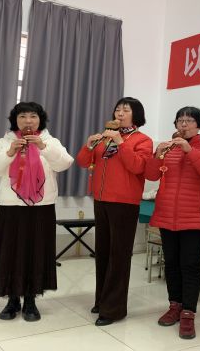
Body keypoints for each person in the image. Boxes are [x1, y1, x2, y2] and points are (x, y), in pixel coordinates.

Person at [0, 102, 73, 322]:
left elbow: (64, 163)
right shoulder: (3, 142)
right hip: (10, 206)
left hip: (41, 207)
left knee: (37, 252)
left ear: (40, 120)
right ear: (15, 120)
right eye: (22, 116)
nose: (28, 121)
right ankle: (12, 300)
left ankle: (31, 300)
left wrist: (43, 147)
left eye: (33, 116)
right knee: (9, 252)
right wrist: (10, 152)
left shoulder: (50, 141)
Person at [76, 96, 153, 326]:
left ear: (136, 115)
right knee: (103, 252)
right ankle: (102, 300)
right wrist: (89, 145)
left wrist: (121, 142)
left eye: (126, 110)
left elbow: (138, 166)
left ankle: (114, 309)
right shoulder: (104, 138)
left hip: (125, 203)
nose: (120, 113)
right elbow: (83, 162)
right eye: (118, 109)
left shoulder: (143, 140)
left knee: (119, 256)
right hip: (101, 200)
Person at [144, 106, 200, 339]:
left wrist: (190, 150)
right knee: (171, 264)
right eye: (180, 121)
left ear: (199, 125)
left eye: (189, 121)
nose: (184, 125)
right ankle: (174, 305)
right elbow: (151, 175)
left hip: (194, 217)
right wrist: (157, 154)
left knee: (190, 265)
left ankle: (188, 313)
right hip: (167, 214)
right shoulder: (168, 148)